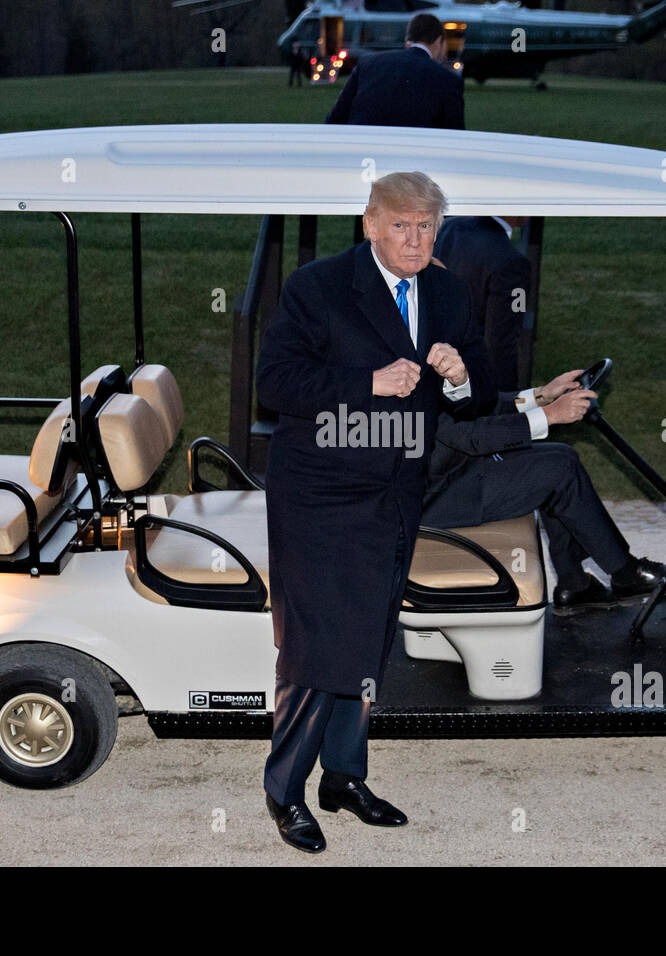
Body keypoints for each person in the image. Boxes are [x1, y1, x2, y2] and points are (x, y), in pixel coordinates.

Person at [256, 171, 494, 853]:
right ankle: (285, 790)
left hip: (395, 494)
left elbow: (481, 384)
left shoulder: (446, 290)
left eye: (426, 226)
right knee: (315, 647)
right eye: (401, 225)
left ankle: (343, 777)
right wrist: (367, 383)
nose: (414, 239)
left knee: (368, 642)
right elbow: (276, 383)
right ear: (370, 224)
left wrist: (462, 376)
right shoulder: (319, 287)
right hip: (320, 497)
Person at [421, 369, 666, 615]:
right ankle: (626, 574)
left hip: (448, 471)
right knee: (558, 469)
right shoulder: (409, 358)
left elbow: (465, 408)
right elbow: (471, 436)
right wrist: (549, 415)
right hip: (437, 497)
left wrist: (542, 396)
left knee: (561, 458)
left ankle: (574, 585)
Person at [432, 215, 532, 390]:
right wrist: (508, 399)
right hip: (467, 379)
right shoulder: (513, 264)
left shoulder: (448, 226)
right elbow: (501, 343)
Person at [325, 13, 464, 129]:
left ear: (407, 40)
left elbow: (335, 119)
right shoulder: (448, 80)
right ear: (438, 41)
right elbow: (455, 135)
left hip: (364, 153)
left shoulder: (367, 64)